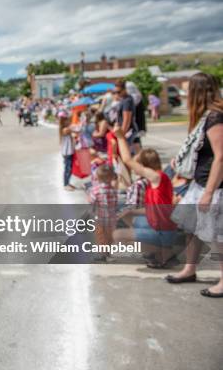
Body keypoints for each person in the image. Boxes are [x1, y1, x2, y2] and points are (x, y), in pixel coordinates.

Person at [166, 73, 223, 297]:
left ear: (197, 92)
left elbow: (220, 157)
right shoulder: (207, 116)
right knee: (192, 227)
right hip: (201, 181)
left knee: (217, 235)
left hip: (214, 185)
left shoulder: (216, 117)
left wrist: (208, 193)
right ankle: (189, 268)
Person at [113, 126, 178, 268]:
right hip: (163, 227)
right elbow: (153, 209)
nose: (135, 169)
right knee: (126, 213)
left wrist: (120, 137)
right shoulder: (158, 181)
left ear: (145, 166)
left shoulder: (156, 177)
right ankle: (159, 250)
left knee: (117, 236)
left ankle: (163, 251)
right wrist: (129, 212)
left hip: (162, 232)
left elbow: (127, 160)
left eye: (139, 165)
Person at [88, 164, 117, 261]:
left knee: (100, 236)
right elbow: (115, 203)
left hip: (100, 218)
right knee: (109, 236)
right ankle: (108, 253)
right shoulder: (113, 189)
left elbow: (91, 202)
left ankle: (102, 254)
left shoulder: (95, 190)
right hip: (111, 218)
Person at [113, 79, 139, 151]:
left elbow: (126, 119)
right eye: (115, 92)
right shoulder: (124, 99)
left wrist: (122, 135)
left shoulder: (127, 100)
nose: (117, 94)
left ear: (124, 89)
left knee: (127, 153)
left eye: (119, 92)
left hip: (128, 131)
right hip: (126, 131)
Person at [59, 113, 75, 191]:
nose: (69, 121)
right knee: (67, 168)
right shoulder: (65, 129)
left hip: (68, 152)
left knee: (69, 168)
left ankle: (67, 182)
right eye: (67, 120)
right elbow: (74, 129)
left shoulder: (65, 128)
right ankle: (65, 184)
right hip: (67, 152)